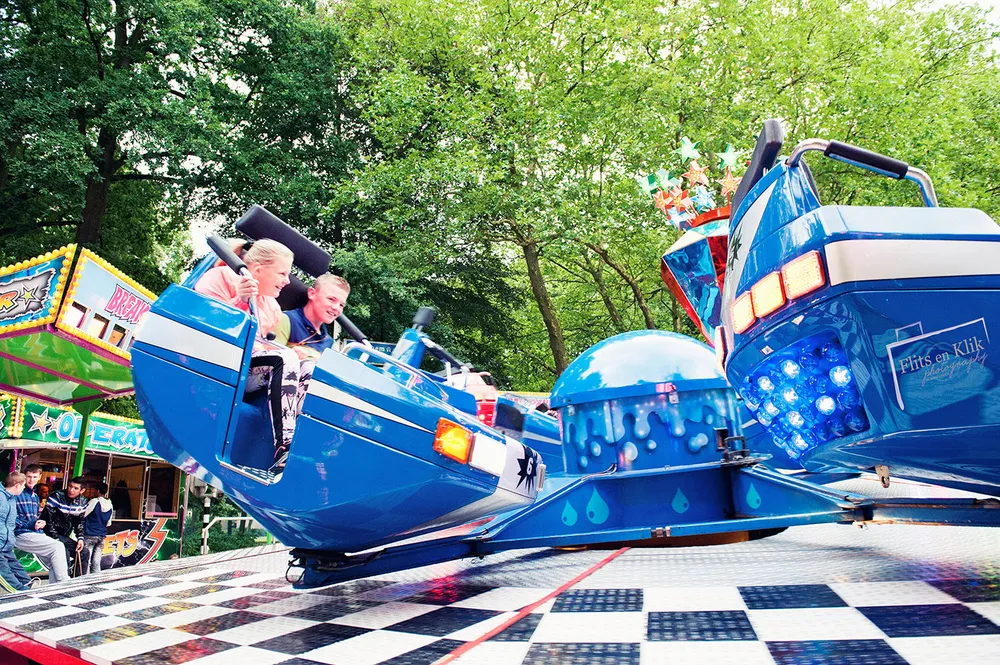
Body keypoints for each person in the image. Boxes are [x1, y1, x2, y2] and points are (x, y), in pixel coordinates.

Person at [196, 238, 315, 471]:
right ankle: (284, 446)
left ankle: (300, 445)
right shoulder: (219, 278)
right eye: (282, 273)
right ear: (258, 270)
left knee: (308, 368)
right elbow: (208, 327)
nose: (287, 281)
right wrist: (240, 301)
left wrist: (290, 352)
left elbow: (260, 345)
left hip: (246, 370)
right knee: (284, 359)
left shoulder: (272, 307)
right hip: (216, 364)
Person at [14, 465, 70, 583]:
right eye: (29, 477)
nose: (31, 480)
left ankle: (55, 590)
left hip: (33, 533)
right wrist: (32, 524)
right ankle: (64, 583)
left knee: (55, 558)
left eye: (34, 477)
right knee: (58, 547)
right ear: (24, 476)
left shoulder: (34, 496)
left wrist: (40, 523)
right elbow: (12, 518)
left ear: (40, 477)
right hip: (20, 533)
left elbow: (32, 518)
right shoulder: (17, 493)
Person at [273, 274, 351, 358]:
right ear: (312, 293)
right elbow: (269, 358)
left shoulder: (328, 342)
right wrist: (291, 356)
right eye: (331, 299)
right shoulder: (287, 320)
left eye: (341, 305)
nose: (336, 308)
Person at [42, 476, 87, 576]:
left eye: (75, 488)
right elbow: (49, 520)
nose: (71, 490)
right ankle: (64, 581)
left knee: (84, 552)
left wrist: (80, 538)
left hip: (64, 535)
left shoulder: (83, 501)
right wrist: (56, 539)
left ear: (82, 490)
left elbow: (79, 522)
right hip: (49, 533)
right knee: (64, 554)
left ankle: (79, 580)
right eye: (70, 486)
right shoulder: (56, 496)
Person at [0, 473, 33, 592]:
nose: (24, 488)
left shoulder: (12, 499)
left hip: (6, 544)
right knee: (4, 572)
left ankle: (28, 586)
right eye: (23, 485)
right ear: (17, 485)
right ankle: (20, 592)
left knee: (16, 566)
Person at [81, 482, 113, 575]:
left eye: (95, 490)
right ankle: (96, 578)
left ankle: (86, 579)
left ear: (98, 491)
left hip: (90, 534)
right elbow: (108, 523)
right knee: (96, 561)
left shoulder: (94, 501)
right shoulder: (110, 504)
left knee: (87, 560)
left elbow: (83, 514)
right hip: (101, 536)